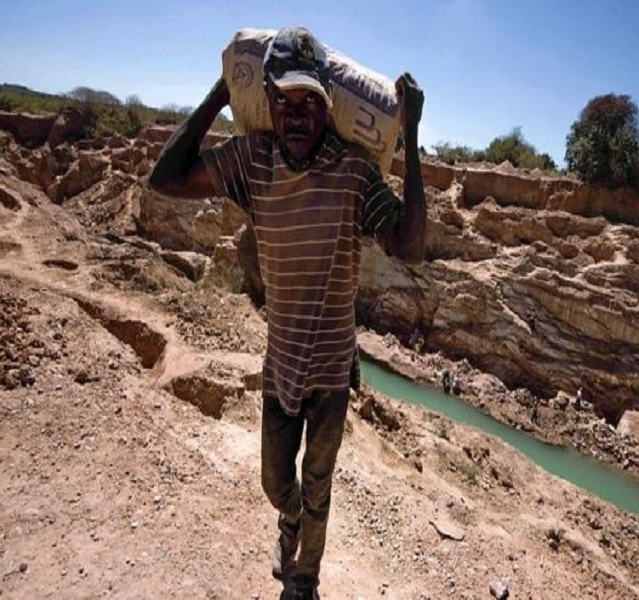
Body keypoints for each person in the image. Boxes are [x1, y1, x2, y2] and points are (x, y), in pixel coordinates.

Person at [148, 26, 425, 600]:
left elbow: (409, 244)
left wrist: (414, 136)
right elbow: (166, 179)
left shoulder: (354, 173)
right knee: (277, 482)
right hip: (280, 365)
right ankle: (288, 523)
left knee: (318, 486)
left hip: (330, 368)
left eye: (310, 101)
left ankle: (304, 580)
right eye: (283, 100)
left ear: (327, 105)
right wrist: (223, 93)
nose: (296, 115)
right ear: (268, 100)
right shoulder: (253, 161)